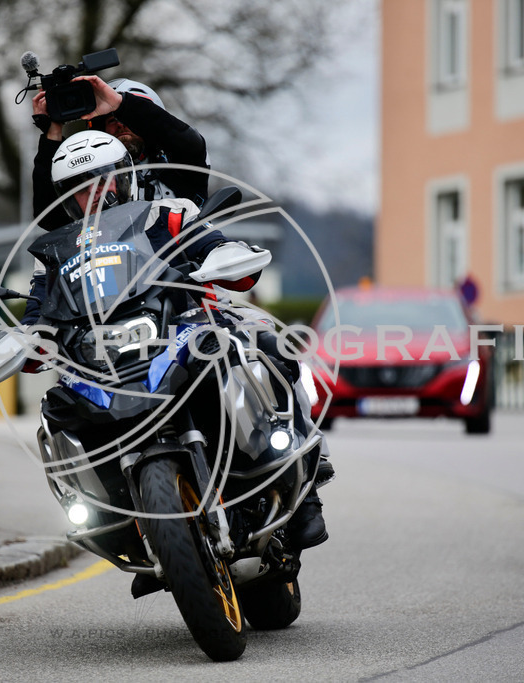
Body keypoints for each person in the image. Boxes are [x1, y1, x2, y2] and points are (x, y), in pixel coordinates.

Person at [20, 130, 329, 566]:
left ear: (123, 177)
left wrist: (224, 255)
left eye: (101, 181)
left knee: (265, 342)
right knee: (58, 410)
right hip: (102, 356)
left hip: (179, 330)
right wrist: (24, 336)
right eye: (78, 188)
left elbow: (210, 244)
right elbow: (36, 309)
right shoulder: (54, 250)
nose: (92, 195)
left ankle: (300, 482)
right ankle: (113, 517)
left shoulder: (164, 213)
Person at [31, 75, 210, 231]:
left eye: (129, 119)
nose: (121, 124)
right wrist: (51, 135)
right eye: (112, 119)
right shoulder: (89, 180)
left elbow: (188, 143)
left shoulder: (179, 167)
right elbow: (50, 218)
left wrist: (120, 104)